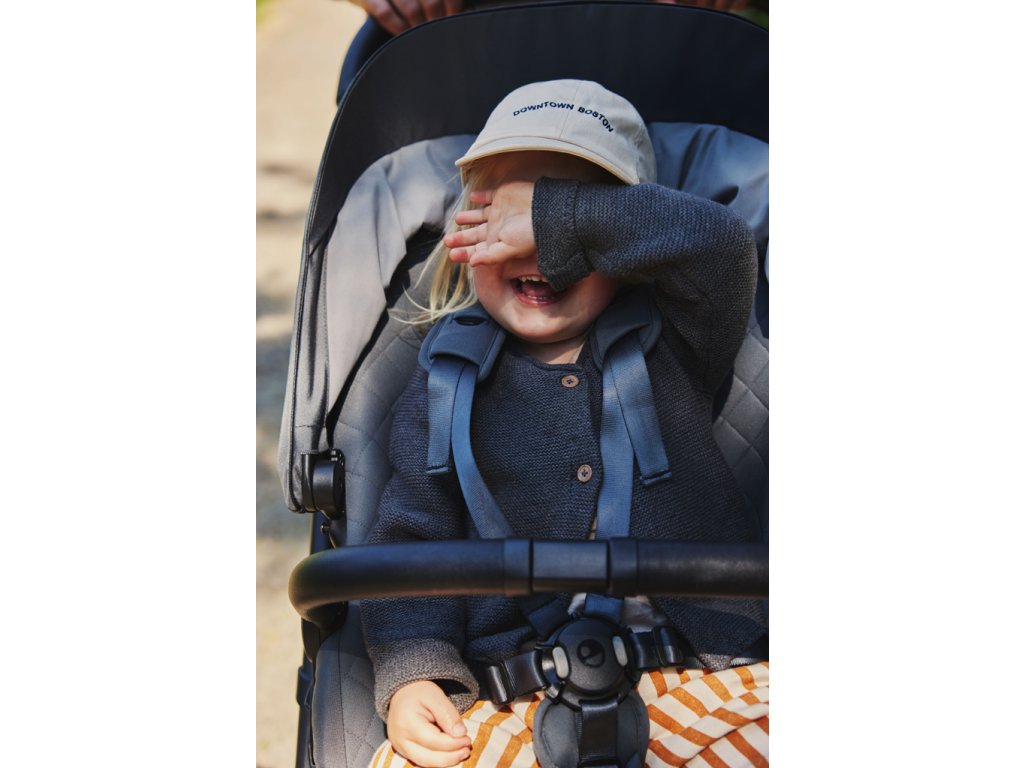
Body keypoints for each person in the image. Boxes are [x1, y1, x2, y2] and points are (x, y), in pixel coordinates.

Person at [360, 79, 768, 768]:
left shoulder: (675, 338)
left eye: (562, 231)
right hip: (515, 698)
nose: (539, 254)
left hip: (700, 671)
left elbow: (719, 245)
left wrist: (557, 218)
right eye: (503, 222)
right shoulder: (443, 384)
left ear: (629, 246)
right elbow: (411, 542)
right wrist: (414, 674)